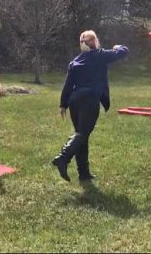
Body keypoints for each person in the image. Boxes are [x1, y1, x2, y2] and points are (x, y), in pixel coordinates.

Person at [52, 30, 129, 182]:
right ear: (94, 43)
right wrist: (117, 46)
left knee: (82, 135)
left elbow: (68, 85)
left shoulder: (75, 61)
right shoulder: (100, 55)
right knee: (82, 134)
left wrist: (63, 104)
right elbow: (124, 51)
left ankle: (84, 174)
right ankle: (63, 157)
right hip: (89, 100)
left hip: (74, 101)